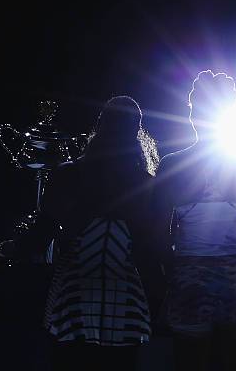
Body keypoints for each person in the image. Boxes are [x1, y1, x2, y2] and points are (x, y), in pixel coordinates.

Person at [155, 70, 236, 371]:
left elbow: (158, 232)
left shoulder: (173, 165)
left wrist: (172, 273)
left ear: (192, 113)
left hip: (189, 275)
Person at [41, 96, 161, 371]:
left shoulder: (66, 174)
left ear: (100, 124)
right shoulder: (149, 185)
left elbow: (42, 231)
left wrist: (6, 251)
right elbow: (154, 247)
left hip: (74, 293)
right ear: (136, 132)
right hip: (125, 300)